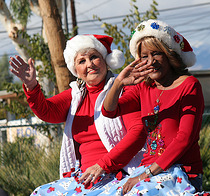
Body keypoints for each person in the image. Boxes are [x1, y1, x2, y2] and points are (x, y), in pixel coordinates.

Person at [9, 34, 147, 195]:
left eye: (94, 57)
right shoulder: (75, 95)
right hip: (85, 178)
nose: (89, 64)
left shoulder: (123, 88)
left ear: (106, 61)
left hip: (121, 173)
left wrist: (102, 165)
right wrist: (32, 86)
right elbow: (47, 111)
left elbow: (138, 132)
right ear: (76, 70)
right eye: (82, 61)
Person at [101, 19, 204, 195]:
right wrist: (119, 83)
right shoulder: (143, 88)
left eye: (156, 54)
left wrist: (145, 175)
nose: (151, 62)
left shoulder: (189, 85)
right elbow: (109, 111)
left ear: (169, 54)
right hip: (147, 172)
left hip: (182, 172)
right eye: (144, 56)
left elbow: (184, 139)